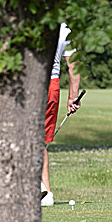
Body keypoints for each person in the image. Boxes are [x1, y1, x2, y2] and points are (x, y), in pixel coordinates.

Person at [41, 23, 82, 207]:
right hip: (52, 84)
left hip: (32, 84)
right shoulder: (64, 29)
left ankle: (38, 190)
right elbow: (74, 66)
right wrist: (72, 97)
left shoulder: (24, 18)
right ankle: (46, 192)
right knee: (39, 141)